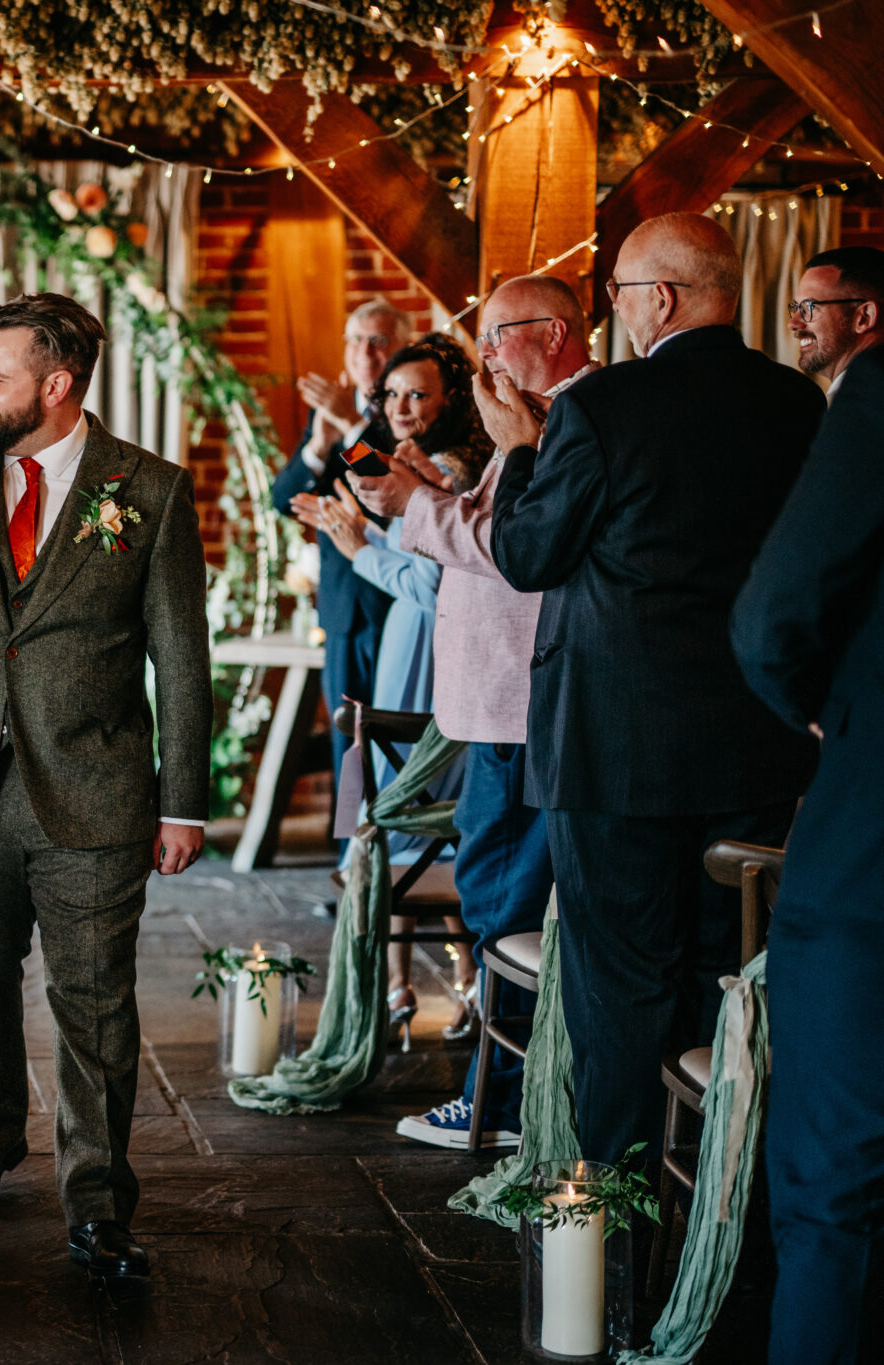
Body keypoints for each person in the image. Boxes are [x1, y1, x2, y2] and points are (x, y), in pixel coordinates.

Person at [487, 214, 821, 1171]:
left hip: (613, 748)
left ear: (661, 298)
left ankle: (615, 1209)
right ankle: (720, 1190)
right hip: (754, 742)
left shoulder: (605, 408)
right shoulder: (796, 403)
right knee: (727, 976)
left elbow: (527, 553)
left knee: (620, 981)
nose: (620, 314)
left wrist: (518, 450)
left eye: (622, 296)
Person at [0, 293, 213, 1283]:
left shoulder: (151, 491)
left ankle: (94, 1203)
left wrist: (182, 801)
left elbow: (180, 659)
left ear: (56, 384)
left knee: (93, 1002)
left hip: (94, 790)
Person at [354, 275, 595, 1148]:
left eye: (499, 334)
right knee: (500, 902)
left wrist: (414, 508)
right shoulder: (526, 419)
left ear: (557, 333)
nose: (485, 353)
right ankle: (503, 1091)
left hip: (517, 705)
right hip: (501, 704)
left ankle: (501, 1102)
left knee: (503, 907)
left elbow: (512, 552)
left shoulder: (561, 421)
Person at [732, 243, 884, 1365]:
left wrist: (823, 712)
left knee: (832, 1182)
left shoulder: (877, 388)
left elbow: (773, 612)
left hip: (871, 840)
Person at [299, 334, 489, 1056]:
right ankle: (411, 986)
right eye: (392, 395)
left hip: (428, 647)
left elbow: (432, 580)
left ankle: (420, 985)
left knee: (405, 814)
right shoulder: (412, 463)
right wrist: (350, 521)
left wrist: (357, 548)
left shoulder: (447, 469)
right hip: (407, 642)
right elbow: (367, 482)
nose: (403, 407)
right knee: (403, 819)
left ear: (450, 402)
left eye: (420, 394)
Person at [272, 299, 408, 794]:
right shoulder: (328, 412)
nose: (365, 352)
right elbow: (282, 500)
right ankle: (350, 855)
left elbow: (386, 490)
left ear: (402, 348)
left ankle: (395, 846)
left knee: (397, 735)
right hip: (344, 605)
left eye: (379, 340)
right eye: (355, 340)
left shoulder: (408, 405)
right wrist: (317, 449)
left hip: (399, 598)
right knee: (347, 739)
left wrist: (352, 427)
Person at [788, 244, 884, 391]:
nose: (793, 323)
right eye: (796, 308)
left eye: (810, 307)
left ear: (864, 317)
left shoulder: (866, 402)